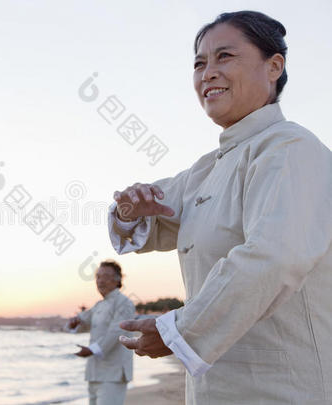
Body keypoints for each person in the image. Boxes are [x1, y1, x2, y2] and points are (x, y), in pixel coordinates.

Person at [107, 10, 332, 405]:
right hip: (217, 390)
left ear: (274, 66)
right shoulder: (207, 169)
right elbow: (148, 214)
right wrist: (129, 210)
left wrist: (179, 328)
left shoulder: (290, 149)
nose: (207, 73)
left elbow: (274, 256)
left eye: (224, 57)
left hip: (286, 389)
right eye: (199, 63)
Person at [67, 260, 136, 405]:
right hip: (94, 373)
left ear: (117, 280)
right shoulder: (99, 305)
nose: (100, 280)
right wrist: (74, 323)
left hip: (113, 373)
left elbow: (116, 332)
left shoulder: (124, 303)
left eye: (105, 276)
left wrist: (91, 350)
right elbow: (83, 324)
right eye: (98, 276)